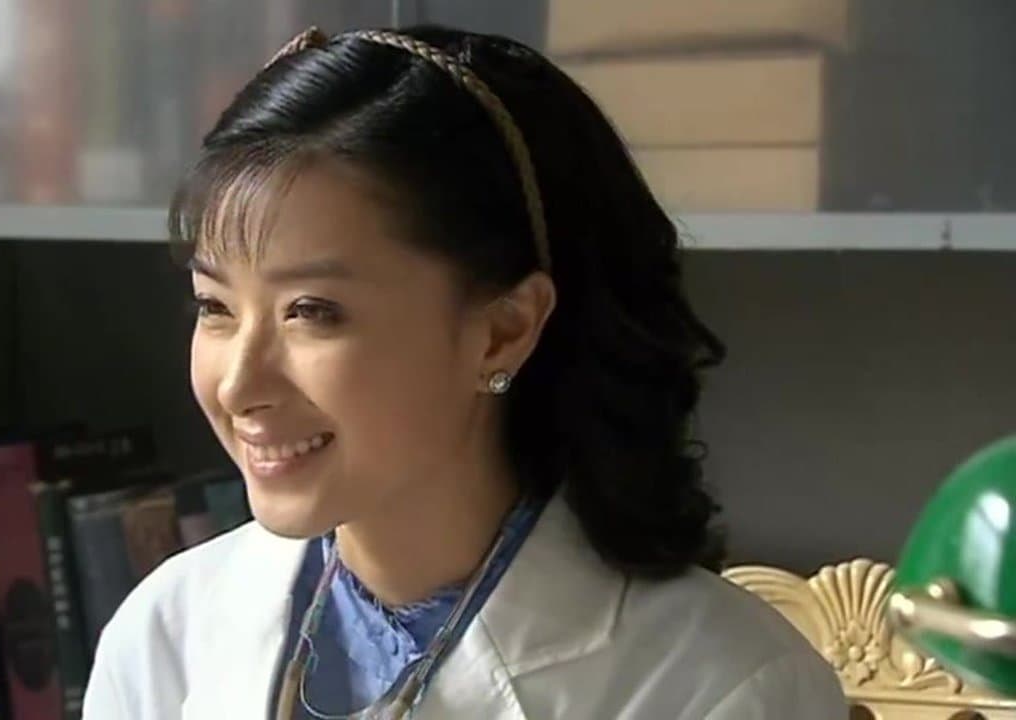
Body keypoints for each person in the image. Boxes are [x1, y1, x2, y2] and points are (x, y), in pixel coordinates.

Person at [84, 25, 846, 719]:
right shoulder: (169, 631)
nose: (238, 385)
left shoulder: (724, 686)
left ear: (502, 331)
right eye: (215, 307)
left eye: (311, 311)